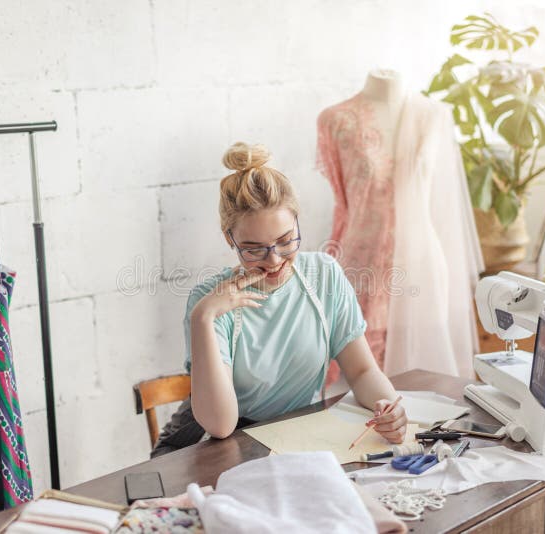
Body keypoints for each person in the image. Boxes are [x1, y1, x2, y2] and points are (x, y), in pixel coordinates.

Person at [150, 142, 407, 456]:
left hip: (293, 432)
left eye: (286, 241)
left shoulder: (323, 275)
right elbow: (220, 425)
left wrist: (389, 407)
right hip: (213, 441)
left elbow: (363, 371)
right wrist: (202, 318)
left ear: (298, 220)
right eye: (254, 248)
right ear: (229, 238)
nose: (273, 260)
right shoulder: (209, 302)